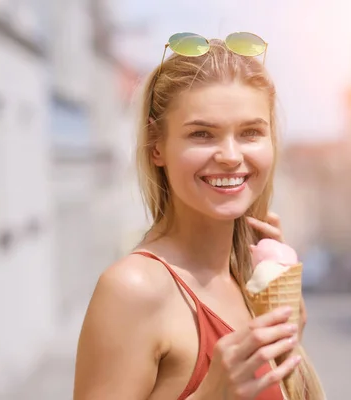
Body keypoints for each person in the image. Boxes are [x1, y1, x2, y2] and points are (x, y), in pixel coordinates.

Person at [73, 33, 325, 400]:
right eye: (202, 134)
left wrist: (288, 344)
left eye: (251, 132)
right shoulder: (132, 290)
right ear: (157, 146)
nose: (230, 155)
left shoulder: (251, 277)